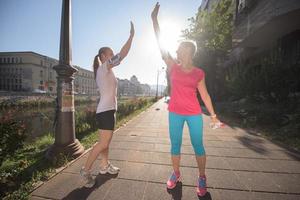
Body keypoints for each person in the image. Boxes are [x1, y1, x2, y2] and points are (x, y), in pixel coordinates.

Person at [151, 3, 221, 197]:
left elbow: (205, 95)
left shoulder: (199, 72)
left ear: (189, 52)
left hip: (193, 114)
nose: (177, 50)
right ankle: (176, 173)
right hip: (174, 113)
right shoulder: (172, 65)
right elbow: (160, 43)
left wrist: (213, 115)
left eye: (181, 48)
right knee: (175, 145)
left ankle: (202, 177)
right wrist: (154, 20)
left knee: (198, 145)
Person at [80, 21, 135, 188]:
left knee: (106, 142)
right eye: (110, 54)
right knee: (103, 143)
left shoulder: (106, 70)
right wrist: (131, 36)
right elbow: (123, 54)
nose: (112, 56)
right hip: (105, 111)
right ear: (103, 56)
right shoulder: (104, 68)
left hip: (108, 110)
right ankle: (85, 170)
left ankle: (104, 166)